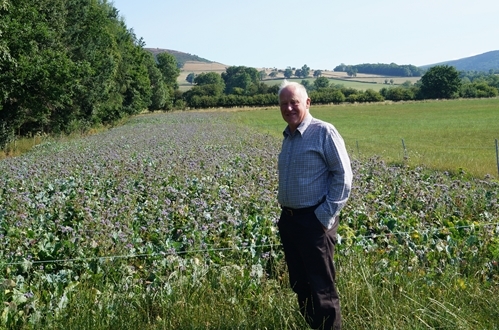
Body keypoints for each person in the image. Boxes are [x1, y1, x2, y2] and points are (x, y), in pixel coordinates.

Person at [276, 80, 353, 330]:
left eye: (294, 102)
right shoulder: (288, 136)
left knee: (322, 288)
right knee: (300, 284)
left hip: (314, 221)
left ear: (307, 103)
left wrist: (324, 216)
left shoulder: (324, 132)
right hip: (290, 220)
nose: (288, 108)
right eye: (284, 104)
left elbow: (343, 176)